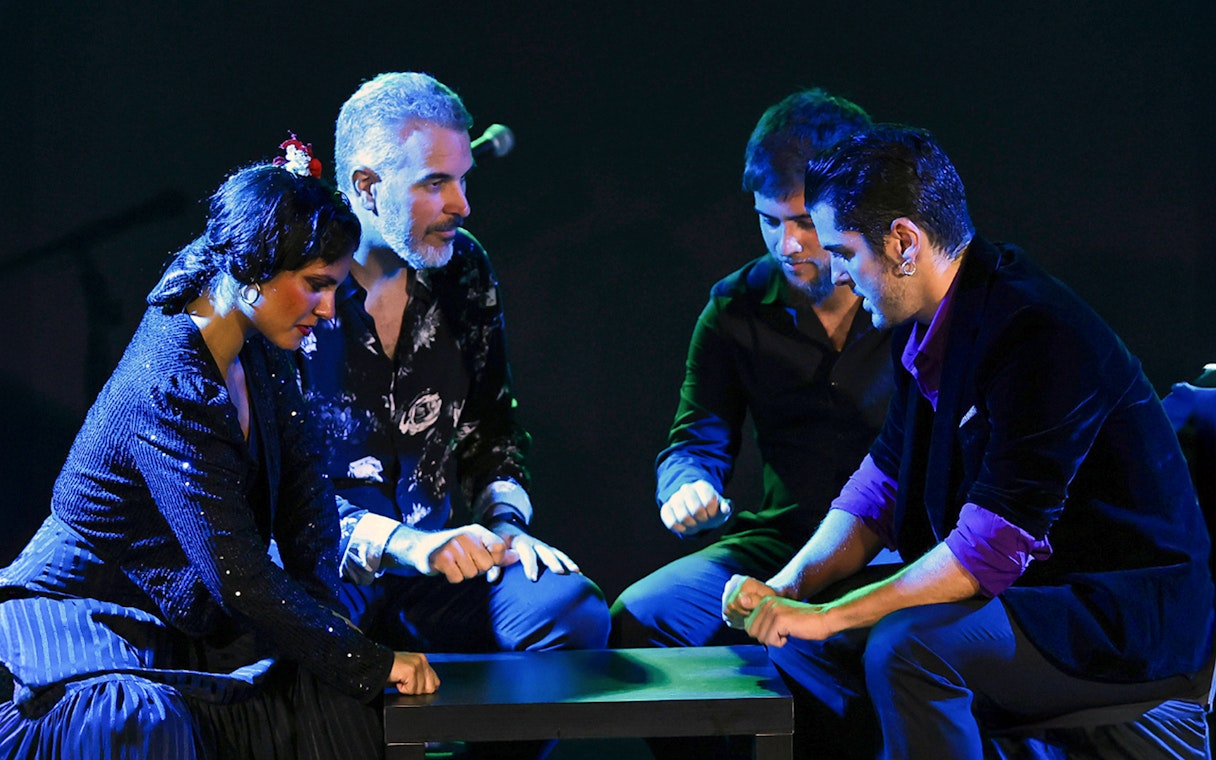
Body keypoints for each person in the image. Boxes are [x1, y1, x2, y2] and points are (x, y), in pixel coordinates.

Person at [722, 125, 1215, 759]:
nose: (839, 275)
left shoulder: (1037, 332)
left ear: (903, 242)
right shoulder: (924, 323)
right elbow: (881, 485)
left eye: (845, 253)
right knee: (807, 643)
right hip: (1037, 594)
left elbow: (988, 549)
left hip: (1122, 615)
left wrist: (827, 615)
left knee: (907, 647)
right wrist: (789, 588)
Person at [0, 138, 438, 759]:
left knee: (335, 696)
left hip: (186, 618)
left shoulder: (262, 348)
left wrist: (337, 641)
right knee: (145, 725)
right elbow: (238, 576)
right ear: (255, 267)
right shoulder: (168, 383)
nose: (328, 309)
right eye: (315, 285)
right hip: (90, 621)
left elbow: (308, 511)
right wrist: (360, 659)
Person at [297, 72, 609, 657]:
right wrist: (401, 544)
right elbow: (272, 490)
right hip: (320, 578)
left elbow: (491, 423)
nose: (462, 205)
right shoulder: (295, 288)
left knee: (572, 613)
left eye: (463, 180)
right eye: (436, 182)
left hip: (430, 570)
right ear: (367, 187)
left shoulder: (463, 266)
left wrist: (504, 523)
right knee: (297, 654)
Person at [610, 89, 893, 649]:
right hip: (786, 541)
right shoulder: (734, 306)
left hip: (898, 545)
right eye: (769, 220)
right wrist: (687, 486)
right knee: (640, 618)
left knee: (861, 648)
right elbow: (696, 439)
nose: (788, 245)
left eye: (806, 222)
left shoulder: (905, 299)